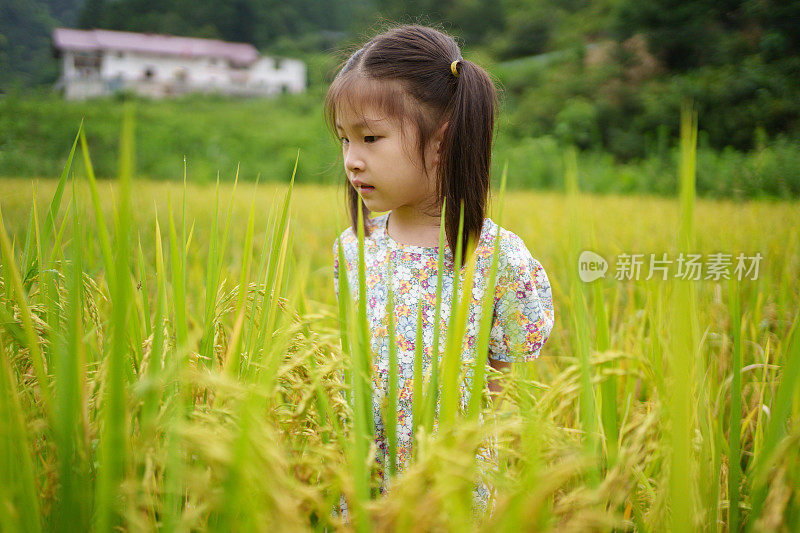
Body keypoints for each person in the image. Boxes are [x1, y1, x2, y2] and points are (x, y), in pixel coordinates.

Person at [328, 24, 555, 505]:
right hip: (363, 484)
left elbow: (500, 383)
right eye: (344, 141)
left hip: (454, 486)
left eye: (370, 138)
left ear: (443, 140)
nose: (352, 161)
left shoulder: (498, 259)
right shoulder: (353, 250)